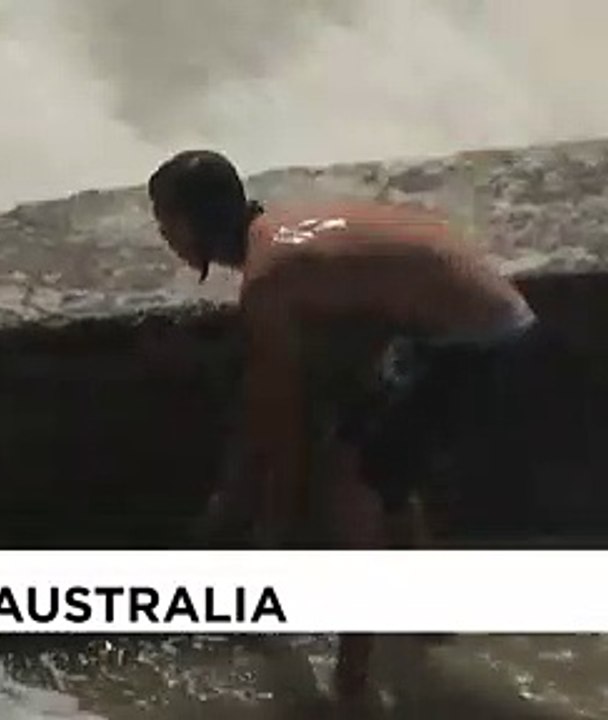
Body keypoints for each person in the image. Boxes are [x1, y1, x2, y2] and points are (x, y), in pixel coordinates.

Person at [147, 150, 540, 699]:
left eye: (165, 222)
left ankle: (352, 679)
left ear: (190, 224)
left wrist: (270, 529)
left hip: (478, 341)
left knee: (348, 490)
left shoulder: (269, 281)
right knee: (387, 467)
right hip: (463, 323)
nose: (164, 236)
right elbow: (267, 398)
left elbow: (284, 429)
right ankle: (431, 614)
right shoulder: (283, 231)